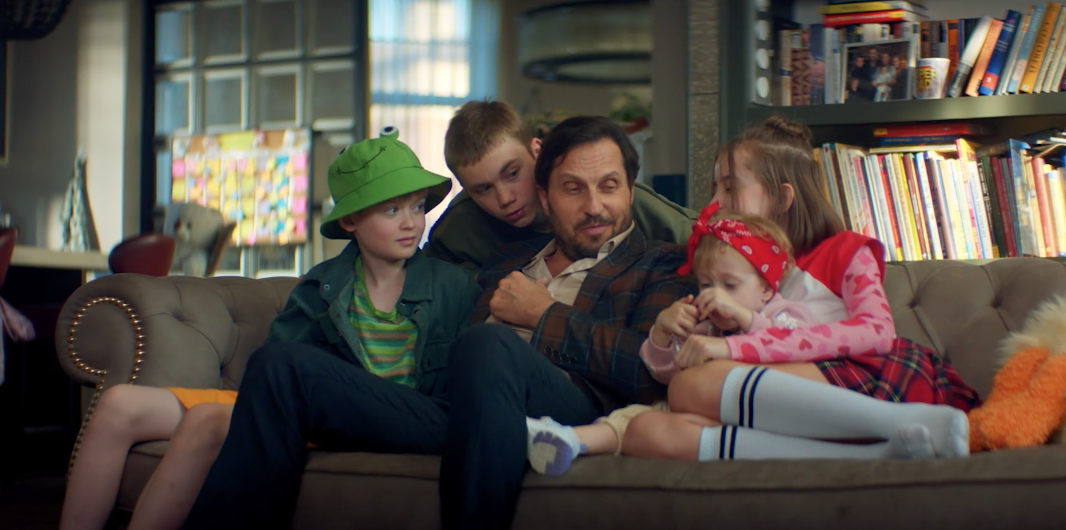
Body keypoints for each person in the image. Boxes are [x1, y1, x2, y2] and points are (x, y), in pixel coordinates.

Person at [617, 116, 981, 463]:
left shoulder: (845, 251)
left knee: (691, 387)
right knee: (645, 433)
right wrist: (667, 336)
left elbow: (877, 331)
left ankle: (904, 421)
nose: (714, 204)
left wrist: (732, 348)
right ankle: (876, 455)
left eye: (729, 188)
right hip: (765, 405)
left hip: (867, 380)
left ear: (782, 198)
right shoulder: (721, 267)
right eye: (713, 189)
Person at [178, 128, 482, 529]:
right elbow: (276, 387)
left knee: (278, 365)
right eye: (392, 210)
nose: (411, 223)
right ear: (351, 220)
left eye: (417, 206)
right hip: (351, 422)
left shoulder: (453, 285)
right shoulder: (320, 288)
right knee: (275, 362)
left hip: (428, 421)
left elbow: (476, 387)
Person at [436, 116, 695, 529]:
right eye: (573, 189)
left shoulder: (662, 262)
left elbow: (647, 370)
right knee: (314, 378)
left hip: (575, 404)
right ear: (546, 196)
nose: (593, 206)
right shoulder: (503, 257)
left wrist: (543, 315)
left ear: (631, 191)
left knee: (488, 344)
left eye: (609, 186)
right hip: (472, 402)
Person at [524, 205, 852, 475]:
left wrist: (744, 318)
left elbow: (796, 344)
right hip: (703, 414)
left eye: (730, 285)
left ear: (766, 288)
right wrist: (662, 334)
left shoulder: (784, 312)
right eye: (707, 284)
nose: (715, 295)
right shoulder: (705, 325)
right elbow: (665, 373)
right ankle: (568, 439)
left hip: (760, 413)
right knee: (638, 415)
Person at [423, 99, 697, 274]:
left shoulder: (615, 199)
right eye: (483, 189)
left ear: (537, 150)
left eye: (513, 174)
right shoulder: (460, 226)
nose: (505, 198)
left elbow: (702, 236)